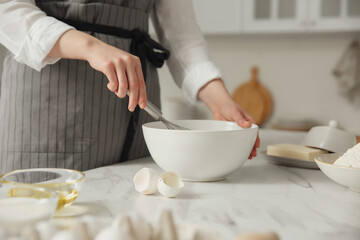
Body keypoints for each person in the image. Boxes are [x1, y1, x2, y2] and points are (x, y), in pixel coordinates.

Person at [0, 0, 259, 175]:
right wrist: (89, 46)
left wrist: (220, 99)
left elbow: (182, 35)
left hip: (133, 122)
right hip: (50, 105)